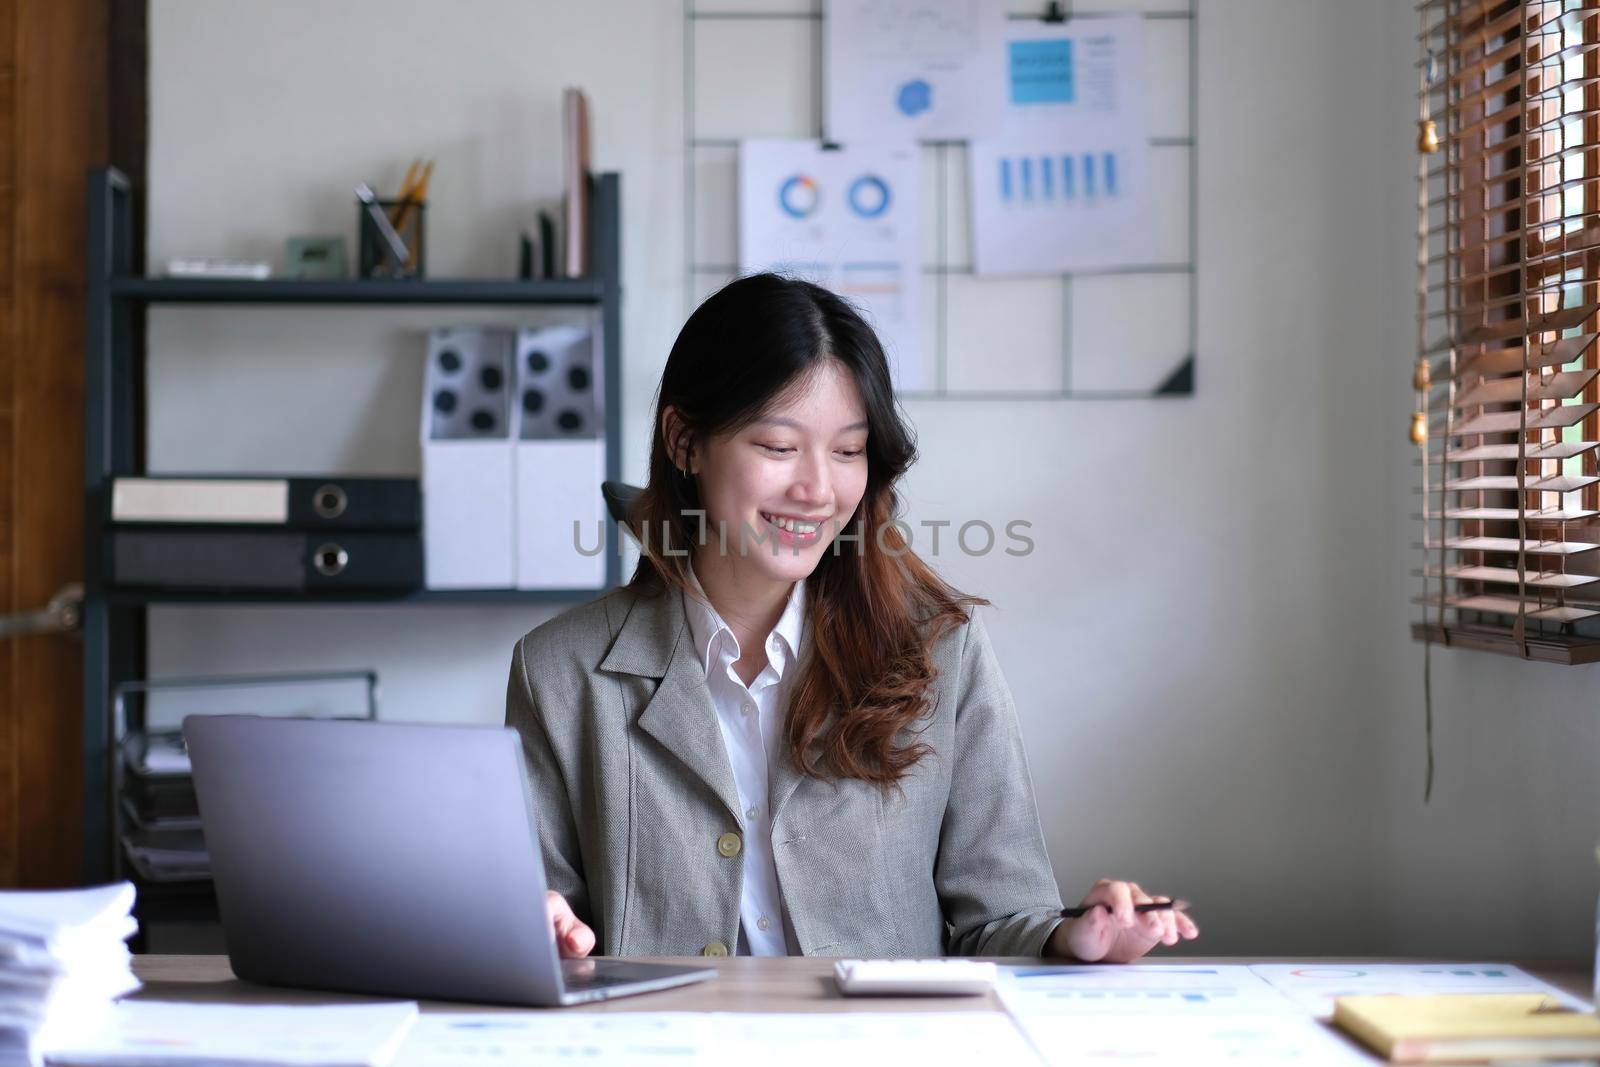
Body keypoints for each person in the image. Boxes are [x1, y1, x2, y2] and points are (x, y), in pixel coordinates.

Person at [505, 272, 1199, 961]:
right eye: (778, 447)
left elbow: (1000, 919)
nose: (817, 489)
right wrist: (535, 930)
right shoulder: (559, 671)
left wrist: (1076, 934)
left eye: (848, 450)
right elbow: (550, 927)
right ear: (685, 440)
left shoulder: (938, 648)